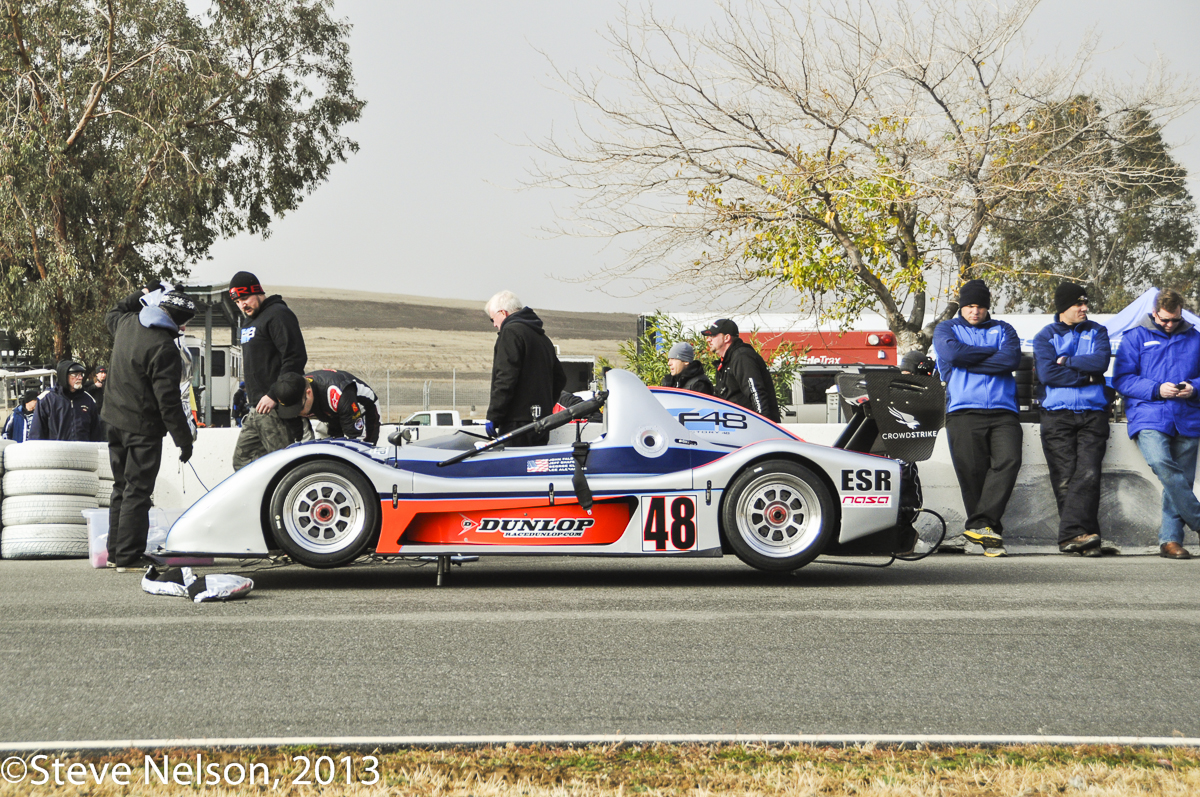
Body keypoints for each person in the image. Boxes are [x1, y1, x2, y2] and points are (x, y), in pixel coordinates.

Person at [102, 286, 196, 572]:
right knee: (138, 491)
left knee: (121, 487)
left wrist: (139, 292)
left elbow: (114, 311)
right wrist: (184, 440)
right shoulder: (164, 347)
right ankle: (129, 558)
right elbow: (168, 403)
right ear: (180, 323)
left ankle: (115, 554)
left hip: (112, 421)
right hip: (142, 428)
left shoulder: (127, 322)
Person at [933, 279, 1022, 557]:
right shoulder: (947, 328)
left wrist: (968, 358)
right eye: (970, 306)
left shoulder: (1004, 329)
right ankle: (987, 538)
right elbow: (951, 353)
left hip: (1004, 410)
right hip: (962, 410)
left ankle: (979, 526)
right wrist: (990, 353)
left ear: (987, 308)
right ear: (962, 306)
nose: (975, 312)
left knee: (1009, 460)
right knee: (972, 475)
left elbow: (1010, 361)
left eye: (980, 307)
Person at [1113, 288, 1200, 560]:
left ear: (1180, 314)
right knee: (1162, 464)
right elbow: (1122, 379)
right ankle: (1198, 520)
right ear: (1154, 313)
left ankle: (1171, 540)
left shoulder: (1195, 338)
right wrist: (1155, 389)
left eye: (1174, 320)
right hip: (1149, 413)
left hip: (1187, 415)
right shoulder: (1135, 337)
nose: (1169, 325)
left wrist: (1194, 388)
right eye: (1164, 320)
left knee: (1182, 479)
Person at [1032, 282, 1112, 557]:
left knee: (1088, 473)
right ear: (1063, 308)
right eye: (1078, 304)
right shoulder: (1045, 336)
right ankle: (1084, 538)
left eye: (1085, 303)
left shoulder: (1098, 331)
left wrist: (1065, 362)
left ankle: (1072, 536)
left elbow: (1100, 363)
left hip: (1094, 414)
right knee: (1064, 478)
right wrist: (1085, 375)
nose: (1084, 308)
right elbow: (1047, 376)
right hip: (1057, 415)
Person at [229, 271, 307, 469]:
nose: (242, 305)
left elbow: (295, 358)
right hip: (256, 408)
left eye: (245, 298)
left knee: (282, 467)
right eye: (237, 301)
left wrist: (274, 395)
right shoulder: (249, 321)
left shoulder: (278, 314)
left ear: (257, 291)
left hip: (275, 407)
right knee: (242, 463)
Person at [485, 290, 566, 446]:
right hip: (541, 422)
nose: (495, 325)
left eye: (492, 319)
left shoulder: (510, 332)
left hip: (516, 424)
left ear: (503, 312)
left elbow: (506, 377)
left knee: (514, 467)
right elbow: (560, 378)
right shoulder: (542, 338)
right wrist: (545, 406)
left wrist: (494, 415)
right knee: (536, 467)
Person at [269, 369, 381, 445]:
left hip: (362, 408)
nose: (297, 413)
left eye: (299, 408)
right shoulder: (292, 392)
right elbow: (299, 439)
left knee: (361, 451)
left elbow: (354, 439)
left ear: (308, 393)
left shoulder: (337, 393)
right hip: (330, 413)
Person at [701, 319, 781, 422]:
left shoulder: (742, 357)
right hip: (737, 427)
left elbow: (756, 392)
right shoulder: (725, 363)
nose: (708, 340)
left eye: (713, 336)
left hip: (752, 429)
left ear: (727, 338)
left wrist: (764, 424)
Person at [29, 359, 104, 441]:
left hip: (82, 451)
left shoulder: (88, 400)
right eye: (75, 375)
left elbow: (96, 435)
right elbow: (36, 435)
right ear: (64, 376)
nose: (80, 378)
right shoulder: (47, 400)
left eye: (81, 374)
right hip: (56, 451)